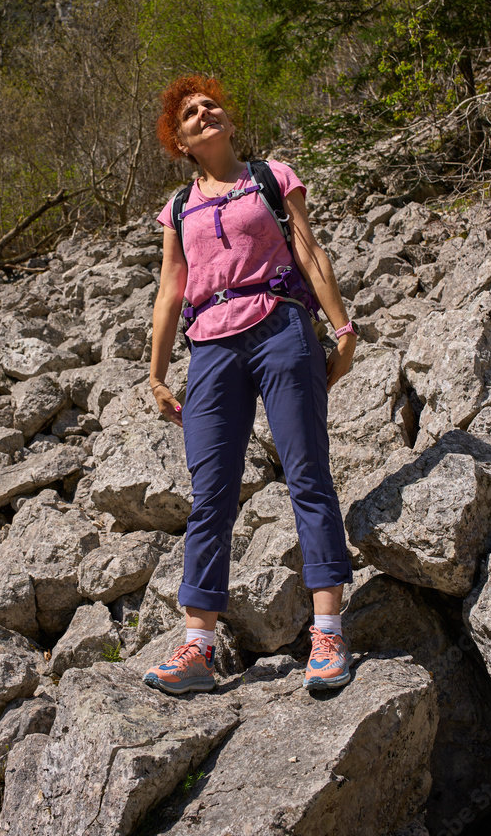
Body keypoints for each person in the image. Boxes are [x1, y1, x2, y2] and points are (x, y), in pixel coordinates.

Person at [143, 75, 357, 696]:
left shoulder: (271, 177)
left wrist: (342, 327)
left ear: (230, 121)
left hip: (281, 326)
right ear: (180, 142)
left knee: (306, 472)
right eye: (189, 114)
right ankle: (199, 648)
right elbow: (170, 288)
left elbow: (309, 251)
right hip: (209, 347)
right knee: (210, 494)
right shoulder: (178, 209)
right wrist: (155, 373)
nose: (204, 113)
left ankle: (327, 631)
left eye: (211, 105)